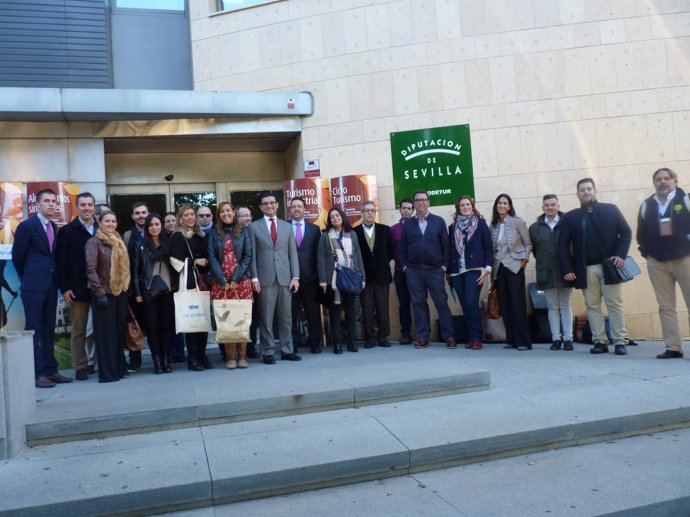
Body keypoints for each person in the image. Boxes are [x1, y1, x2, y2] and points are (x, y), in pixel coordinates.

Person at [559, 178, 632, 355]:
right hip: (585, 269)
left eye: (589, 189)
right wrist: (567, 269)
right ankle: (600, 341)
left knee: (614, 304)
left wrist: (620, 255)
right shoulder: (570, 217)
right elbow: (562, 244)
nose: (586, 192)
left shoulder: (611, 210)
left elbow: (626, 232)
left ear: (595, 191)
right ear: (577, 194)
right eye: (582, 190)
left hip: (610, 267)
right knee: (592, 306)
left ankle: (620, 341)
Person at [12, 188, 73, 388]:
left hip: (50, 285)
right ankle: (37, 373)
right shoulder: (27, 226)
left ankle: (50, 370)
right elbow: (18, 257)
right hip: (33, 286)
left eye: (54, 201)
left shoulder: (54, 226)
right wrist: (29, 277)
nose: (51, 204)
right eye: (46, 200)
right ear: (37, 204)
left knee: (49, 329)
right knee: (34, 329)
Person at [637, 167, 690, 359]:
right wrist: (648, 255)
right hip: (658, 263)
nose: (663, 182)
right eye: (658, 179)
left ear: (675, 180)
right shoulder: (647, 205)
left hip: (685, 259)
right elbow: (641, 235)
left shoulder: (686, 199)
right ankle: (673, 347)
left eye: (667, 178)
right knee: (666, 306)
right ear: (654, 183)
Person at [248, 191, 301, 364]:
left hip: (286, 278)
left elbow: (293, 253)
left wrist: (296, 276)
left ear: (277, 205)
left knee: (286, 317)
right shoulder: (253, 227)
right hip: (264, 279)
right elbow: (252, 255)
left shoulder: (287, 226)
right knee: (266, 317)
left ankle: (287, 350)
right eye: (265, 203)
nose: (269, 205)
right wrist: (254, 278)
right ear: (261, 207)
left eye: (272, 202)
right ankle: (268, 351)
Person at [399, 190, 456, 349]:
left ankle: (449, 336)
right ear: (414, 203)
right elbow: (402, 248)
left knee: (441, 303)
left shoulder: (438, 221)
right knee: (418, 304)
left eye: (424, 200)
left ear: (428, 202)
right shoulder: (408, 224)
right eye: (417, 200)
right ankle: (423, 336)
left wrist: (444, 266)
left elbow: (446, 246)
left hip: (434, 270)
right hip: (414, 271)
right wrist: (405, 267)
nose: (421, 203)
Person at [55, 192, 98, 381]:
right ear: (77, 207)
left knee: (100, 329)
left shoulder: (102, 228)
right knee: (79, 329)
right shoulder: (67, 231)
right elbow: (60, 263)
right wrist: (65, 288)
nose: (87, 208)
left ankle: (98, 362)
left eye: (90, 204)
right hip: (77, 289)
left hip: (100, 288)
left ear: (94, 207)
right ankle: (81, 366)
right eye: (83, 205)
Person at [206, 201, 253, 369]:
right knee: (226, 320)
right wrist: (223, 281)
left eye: (228, 210)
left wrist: (235, 279)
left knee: (242, 318)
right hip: (221, 284)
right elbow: (211, 258)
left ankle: (242, 354)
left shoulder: (244, 232)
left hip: (241, 282)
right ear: (218, 216)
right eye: (222, 212)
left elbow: (248, 256)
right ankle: (230, 355)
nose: (225, 214)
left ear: (234, 213)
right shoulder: (213, 234)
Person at [85, 210, 130, 383]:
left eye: (113, 221)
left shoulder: (119, 243)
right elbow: (91, 269)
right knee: (105, 335)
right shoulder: (94, 242)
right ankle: (107, 373)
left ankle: (118, 368)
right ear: (100, 222)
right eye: (107, 221)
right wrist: (99, 292)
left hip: (120, 293)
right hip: (103, 294)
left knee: (118, 334)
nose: (111, 224)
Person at [529, 195, 574, 351]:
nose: (550, 207)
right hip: (546, 272)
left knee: (565, 305)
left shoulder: (567, 223)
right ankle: (556, 338)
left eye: (553, 204)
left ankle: (568, 339)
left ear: (558, 205)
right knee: (552, 306)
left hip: (565, 271)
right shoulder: (535, 228)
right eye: (546, 205)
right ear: (542, 207)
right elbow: (535, 251)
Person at [318, 207, 366, 353]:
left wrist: (362, 276)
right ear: (329, 220)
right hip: (333, 280)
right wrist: (322, 280)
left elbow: (357, 255)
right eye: (332, 217)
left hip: (350, 277)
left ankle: (352, 343)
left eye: (337, 215)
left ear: (342, 217)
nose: (335, 218)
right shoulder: (325, 236)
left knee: (351, 312)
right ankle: (337, 344)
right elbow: (320, 258)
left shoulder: (352, 234)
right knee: (335, 313)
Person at [170, 203, 211, 371]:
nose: (190, 217)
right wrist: (196, 261)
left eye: (192, 214)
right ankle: (193, 358)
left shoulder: (200, 235)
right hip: (188, 283)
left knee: (203, 320)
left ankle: (202, 355)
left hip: (203, 283)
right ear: (180, 218)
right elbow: (174, 261)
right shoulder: (178, 236)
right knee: (192, 321)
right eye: (186, 215)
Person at [448, 196, 492, 350]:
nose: (465, 207)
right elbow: (450, 250)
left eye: (468, 205)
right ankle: (471, 337)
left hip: (475, 270)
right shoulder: (452, 227)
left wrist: (487, 268)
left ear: (472, 207)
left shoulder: (480, 224)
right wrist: (448, 272)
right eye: (462, 205)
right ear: (458, 208)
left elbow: (488, 247)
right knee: (464, 305)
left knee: (471, 302)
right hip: (457, 272)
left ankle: (477, 337)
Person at [132, 213, 174, 374]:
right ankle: (156, 360)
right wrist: (137, 291)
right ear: (147, 227)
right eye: (151, 225)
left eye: (157, 224)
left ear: (161, 225)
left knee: (165, 326)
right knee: (153, 326)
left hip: (167, 290)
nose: (154, 227)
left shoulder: (168, 243)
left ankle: (165, 359)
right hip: (149, 291)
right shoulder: (140, 245)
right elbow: (135, 270)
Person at [490, 193, 533, 351]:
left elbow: (528, 243)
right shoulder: (493, 225)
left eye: (505, 203)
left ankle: (523, 341)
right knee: (505, 304)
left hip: (514, 267)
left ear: (509, 206)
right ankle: (511, 340)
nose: (501, 205)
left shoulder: (518, 222)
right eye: (499, 203)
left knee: (517, 304)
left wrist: (523, 260)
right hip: (498, 269)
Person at [354, 200, 394, 348]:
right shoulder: (354, 232)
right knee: (367, 308)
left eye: (372, 210)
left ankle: (383, 336)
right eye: (367, 210)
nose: (370, 213)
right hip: (364, 277)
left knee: (383, 307)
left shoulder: (385, 229)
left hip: (382, 275)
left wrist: (380, 264)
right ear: (362, 213)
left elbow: (390, 252)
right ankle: (369, 338)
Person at [289, 197, 323, 354]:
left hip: (310, 279)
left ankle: (314, 342)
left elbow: (319, 255)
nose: (297, 209)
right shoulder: (284, 228)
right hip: (290, 279)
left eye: (300, 206)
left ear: (305, 209)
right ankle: (294, 343)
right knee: (291, 314)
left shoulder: (314, 229)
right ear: (290, 209)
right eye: (294, 206)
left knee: (313, 312)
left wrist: (319, 276)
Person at [123, 201, 149, 372]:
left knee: (153, 323)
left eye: (144, 212)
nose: (141, 216)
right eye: (138, 213)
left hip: (153, 286)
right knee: (135, 324)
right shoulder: (126, 236)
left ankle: (160, 357)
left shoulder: (155, 230)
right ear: (133, 216)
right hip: (134, 288)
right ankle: (135, 359)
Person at [390, 198, 415, 344]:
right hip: (400, 272)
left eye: (409, 208)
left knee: (419, 302)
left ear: (413, 210)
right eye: (403, 208)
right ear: (400, 209)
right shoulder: (393, 229)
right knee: (404, 304)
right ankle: (405, 333)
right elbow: (390, 250)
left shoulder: (418, 226)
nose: (406, 210)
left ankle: (423, 333)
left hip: (418, 272)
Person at [237, 205, 260, 359]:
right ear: (236, 218)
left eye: (249, 215)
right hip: (236, 281)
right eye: (244, 215)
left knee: (252, 316)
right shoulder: (233, 234)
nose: (248, 218)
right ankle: (231, 351)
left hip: (254, 280)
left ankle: (250, 349)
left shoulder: (255, 231)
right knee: (234, 316)